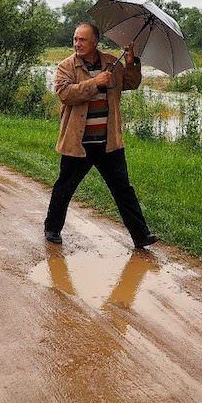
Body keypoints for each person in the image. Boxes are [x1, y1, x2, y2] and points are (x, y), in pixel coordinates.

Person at [43, 21, 159, 249]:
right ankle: (52, 228)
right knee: (64, 187)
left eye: (82, 39)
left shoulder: (111, 63)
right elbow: (65, 94)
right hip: (79, 142)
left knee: (123, 189)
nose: (77, 44)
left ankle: (141, 235)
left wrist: (131, 63)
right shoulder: (67, 66)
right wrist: (95, 82)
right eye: (75, 39)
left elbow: (131, 83)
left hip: (109, 142)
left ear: (95, 41)